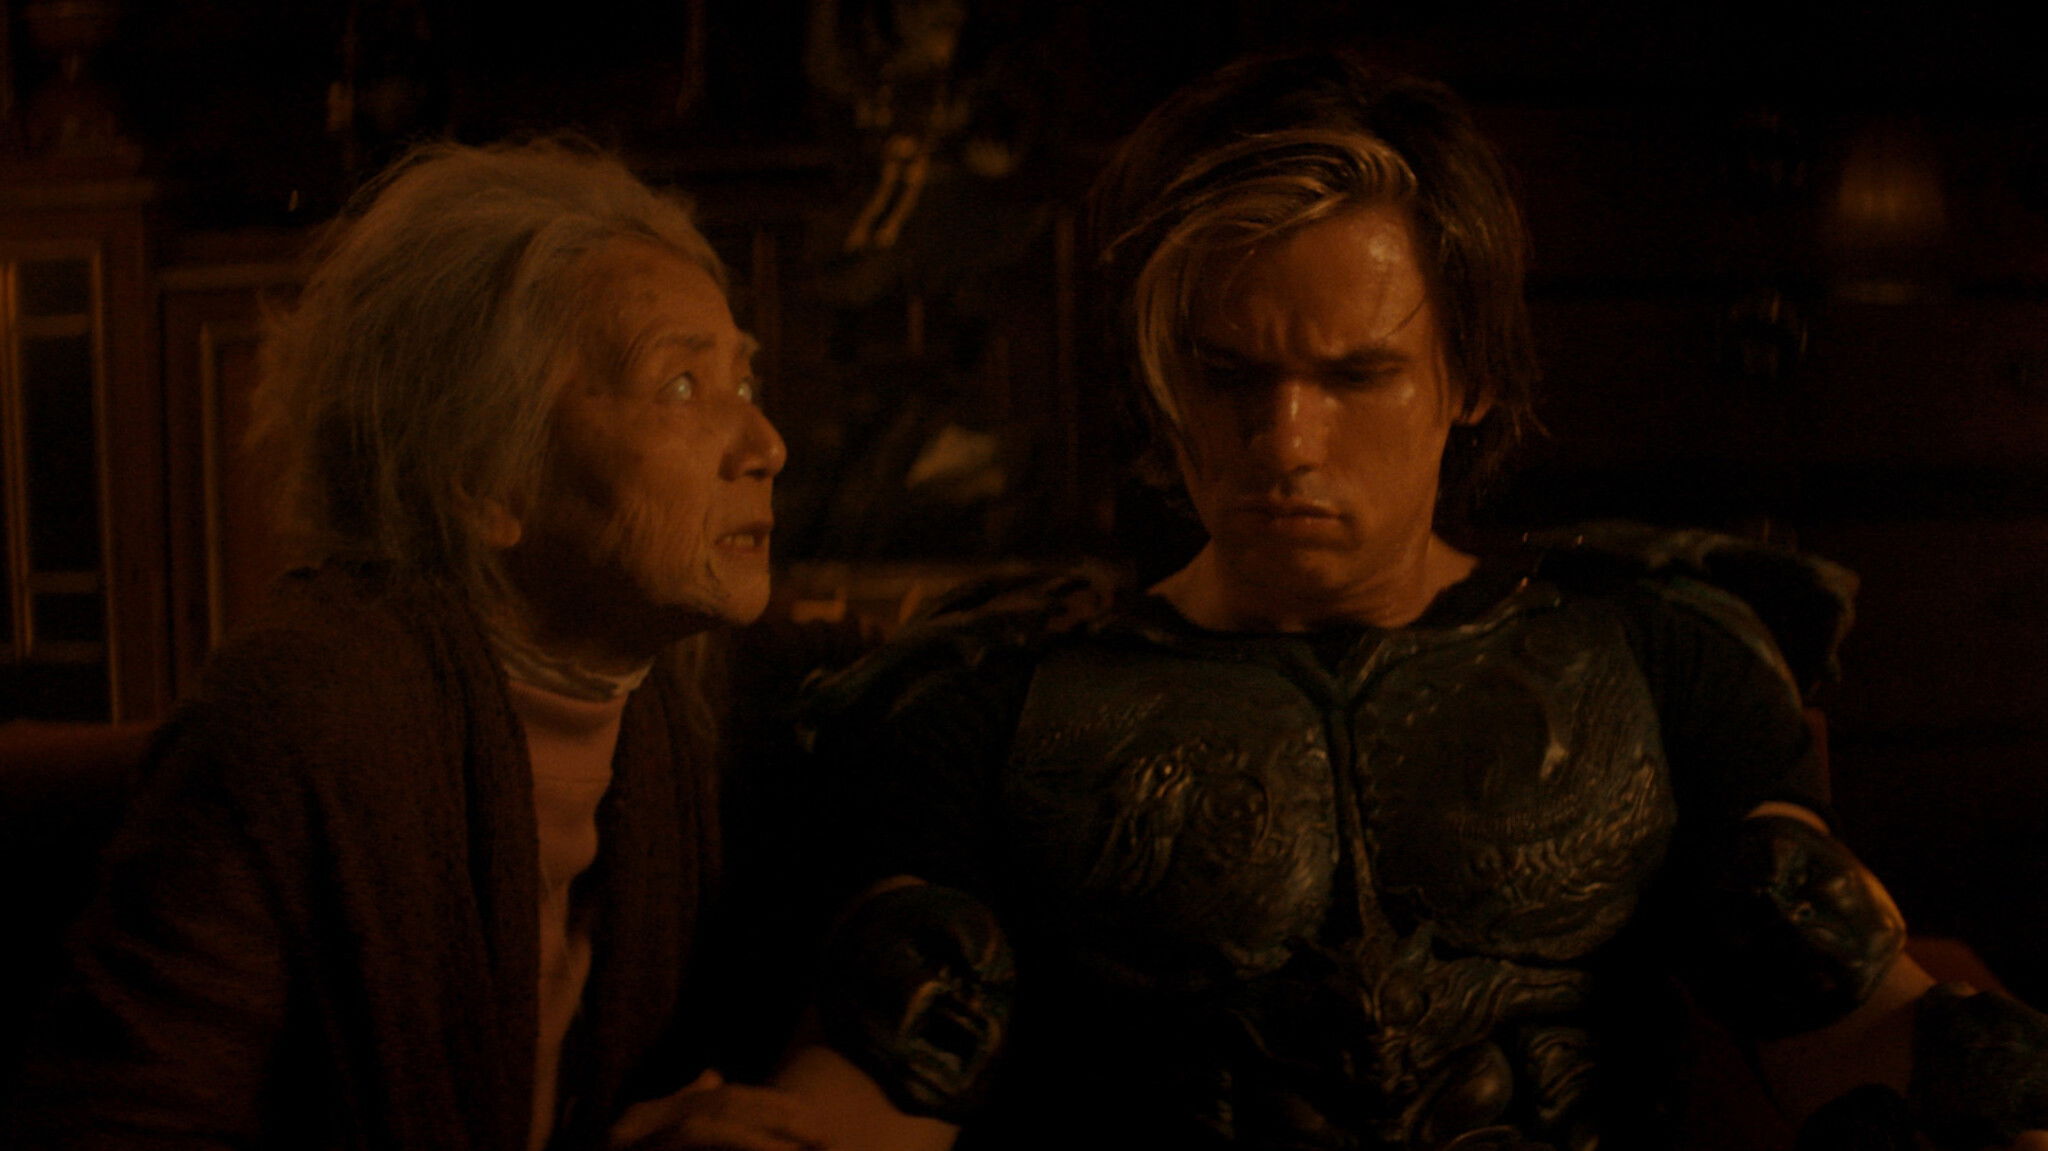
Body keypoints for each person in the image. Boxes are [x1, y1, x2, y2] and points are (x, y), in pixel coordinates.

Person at [787, 51, 2048, 1150]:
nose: (1285, 440)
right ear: (1157, 377)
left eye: (1356, 373)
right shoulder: (988, 702)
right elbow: (883, 1076)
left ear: (1470, 374)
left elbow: (1848, 1019)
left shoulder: (1660, 658)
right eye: (1226, 372)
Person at [6, 139, 829, 1151]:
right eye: (682, 387)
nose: (765, 445)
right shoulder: (314, 712)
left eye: (744, 379)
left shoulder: (682, 693)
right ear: (481, 476)